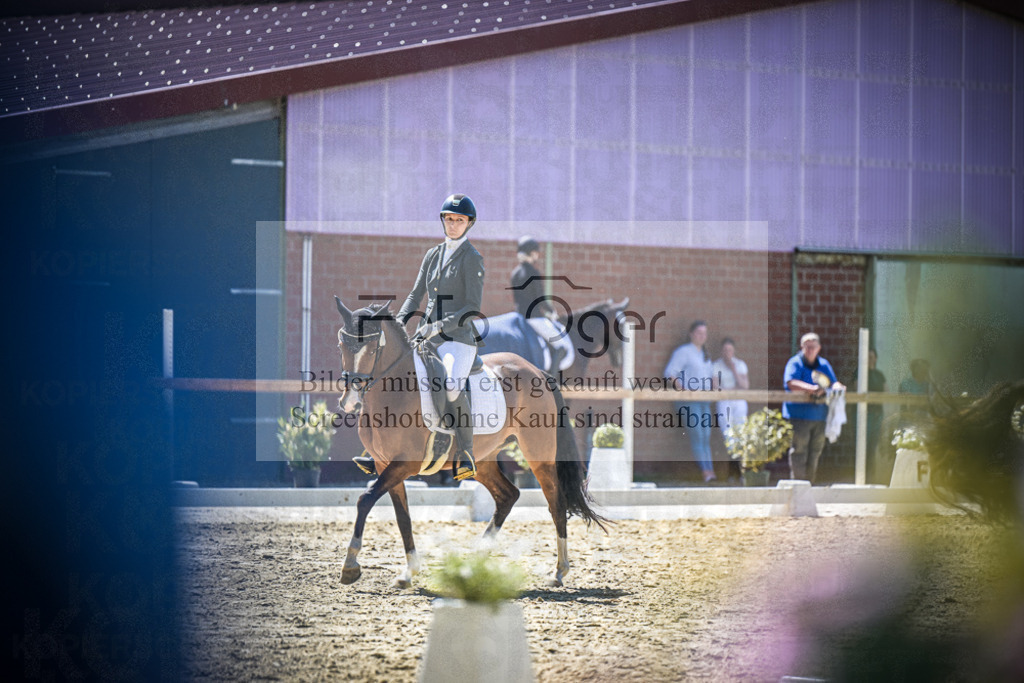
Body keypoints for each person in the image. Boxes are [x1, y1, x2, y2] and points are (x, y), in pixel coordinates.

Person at [392, 193, 485, 481]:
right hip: (428, 337)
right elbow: (415, 294)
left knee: (453, 387)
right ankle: (383, 448)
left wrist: (438, 326)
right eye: (449, 219)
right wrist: (398, 323)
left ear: (469, 223)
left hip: (458, 339)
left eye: (459, 220)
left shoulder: (472, 258)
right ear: (443, 220)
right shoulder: (432, 254)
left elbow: (472, 307)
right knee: (399, 377)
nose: (453, 224)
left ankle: (466, 452)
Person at [782, 332, 846, 483]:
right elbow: (791, 383)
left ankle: (809, 486)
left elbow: (833, 382)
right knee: (799, 452)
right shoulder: (795, 363)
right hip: (799, 417)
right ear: (802, 347)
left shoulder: (823, 364)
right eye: (807, 347)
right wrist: (811, 389)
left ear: (819, 348)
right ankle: (798, 486)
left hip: (820, 417)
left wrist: (838, 386)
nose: (810, 350)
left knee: (815, 453)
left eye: (813, 347)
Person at [509, 235, 573, 373]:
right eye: (536, 253)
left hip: (519, 317)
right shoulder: (533, 272)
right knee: (561, 346)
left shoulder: (515, 273)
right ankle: (551, 380)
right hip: (535, 319)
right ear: (532, 253)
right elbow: (540, 299)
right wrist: (552, 311)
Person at [665, 320, 718, 483]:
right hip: (689, 402)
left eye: (704, 333)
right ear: (691, 334)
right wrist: (684, 392)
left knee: (706, 435)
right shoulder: (684, 352)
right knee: (698, 434)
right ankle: (706, 472)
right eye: (699, 333)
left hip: (704, 401)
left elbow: (712, 376)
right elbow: (670, 373)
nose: (702, 336)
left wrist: (715, 390)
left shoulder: (705, 355)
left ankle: (711, 471)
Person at [713, 337, 749, 482]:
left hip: (739, 402)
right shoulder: (716, 365)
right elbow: (716, 387)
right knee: (729, 435)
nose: (727, 353)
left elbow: (744, 386)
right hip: (724, 402)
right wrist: (732, 390)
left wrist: (733, 369)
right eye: (725, 350)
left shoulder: (740, 365)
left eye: (730, 350)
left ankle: (736, 473)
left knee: (740, 433)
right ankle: (734, 472)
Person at [866, 347, 887, 484]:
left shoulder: (879, 375)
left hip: (877, 413)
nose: (870, 360)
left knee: (873, 446)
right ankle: (863, 477)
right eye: (867, 357)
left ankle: (871, 477)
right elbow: (858, 389)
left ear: (876, 359)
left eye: (872, 357)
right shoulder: (860, 373)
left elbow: (886, 392)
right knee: (864, 446)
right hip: (865, 414)